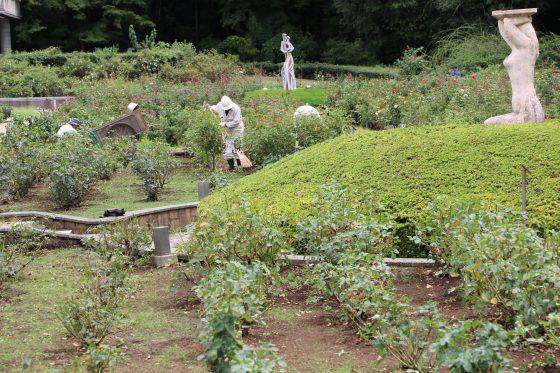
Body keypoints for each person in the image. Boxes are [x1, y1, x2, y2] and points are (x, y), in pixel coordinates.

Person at [206, 96, 244, 171]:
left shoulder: (236, 108)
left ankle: (240, 166)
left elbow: (236, 122)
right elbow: (215, 109)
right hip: (226, 130)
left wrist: (225, 124)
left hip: (237, 129)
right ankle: (231, 167)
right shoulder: (220, 105)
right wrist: (209, 107)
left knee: (238, 147)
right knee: (227, 148)